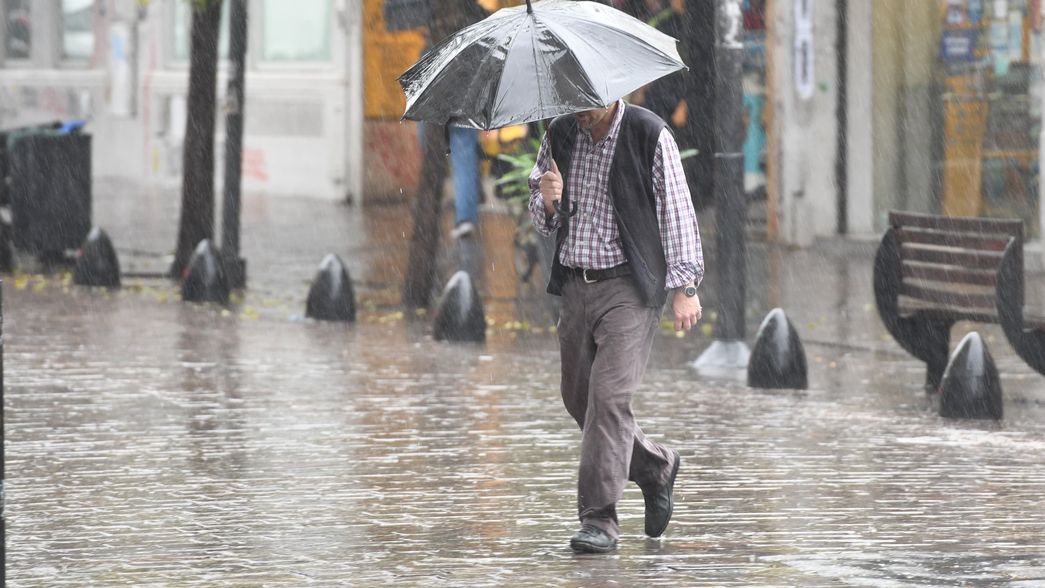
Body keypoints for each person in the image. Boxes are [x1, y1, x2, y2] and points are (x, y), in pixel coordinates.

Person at [527, 99, 704, 553]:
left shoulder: (648, 133)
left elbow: (676, 209)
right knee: (578, 398)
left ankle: (599, 519)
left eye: (591, 101)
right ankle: (653, 467)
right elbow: (543, 218)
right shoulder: (560, 133)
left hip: (629, 288)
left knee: (608, 399)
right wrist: (548, 203)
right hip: (575, 285)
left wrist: (686, 284)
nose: (582, 109)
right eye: (575, 100)